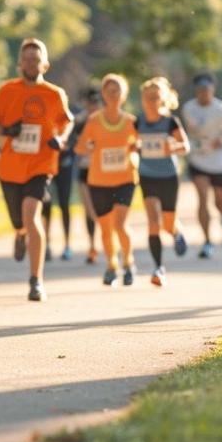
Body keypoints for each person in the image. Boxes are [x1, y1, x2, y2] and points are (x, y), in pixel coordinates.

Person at [0, 39, 74, 302]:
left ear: (44, 63)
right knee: (19, 220)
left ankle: (36, 280)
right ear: (20, 63)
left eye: (36, 59)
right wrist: (6, 131)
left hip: (41, 164)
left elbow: (68, 121)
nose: (32, 64)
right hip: (10, 168)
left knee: (31, 214)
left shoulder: (54, 94)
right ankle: (20, 233)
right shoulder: (7, 90)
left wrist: (62, 139)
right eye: (27, 59)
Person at [76, 74, 140, 287]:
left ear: (123, 95)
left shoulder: (131, 122)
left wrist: (135, 148)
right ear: (103, 94)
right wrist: (91, 147)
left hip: (125, 179)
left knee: (120, 224)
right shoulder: (94, 121)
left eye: (117, 91)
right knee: (105, 228)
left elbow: (140, 143)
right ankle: (111, 265)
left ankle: (128, 263)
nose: (113, 95)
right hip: (99, 181)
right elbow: (79, 147)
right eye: (109, 91)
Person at [181, 72, 222, 259]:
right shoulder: (189, 108)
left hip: (219, 161)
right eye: (200, 90)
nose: (203, 94)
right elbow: (195, 129)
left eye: (207, 90)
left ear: (212, 90)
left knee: (221, 202)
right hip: (198, 158)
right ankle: (207, 240)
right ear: (196, 91)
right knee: (202, 197)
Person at [136, 77, 189, 285]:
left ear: (163, 100)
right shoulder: (137, 122)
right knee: (153, 222)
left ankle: (176, 231)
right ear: (143, 100)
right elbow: (130, 141)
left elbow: (186, 146)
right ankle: (158, 268)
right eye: (148, 97)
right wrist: (133, 148)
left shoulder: (170, 122)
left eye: (155, 97)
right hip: (147, 176)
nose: (151, 101)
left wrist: (173, 147)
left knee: (167, 224)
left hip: (168, 176)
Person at [44, 93, 79, 262]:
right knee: (46, 205)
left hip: (64, 166)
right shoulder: (45, 117)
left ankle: (67, 245)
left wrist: (62, 143)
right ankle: (47, 245)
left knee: (64, 204)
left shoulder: (69, 121)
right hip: (47, 167)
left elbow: (72, 143)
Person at [71, 87, 101, 265]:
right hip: (85, 170)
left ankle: (106, 242)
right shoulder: (80, 121)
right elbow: (71, 139)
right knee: (89, 211)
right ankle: (92, 246)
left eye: (96, 102)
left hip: (104, 171)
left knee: (103, 210)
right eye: (90, 103)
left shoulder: (106, 119)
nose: (94, 106)